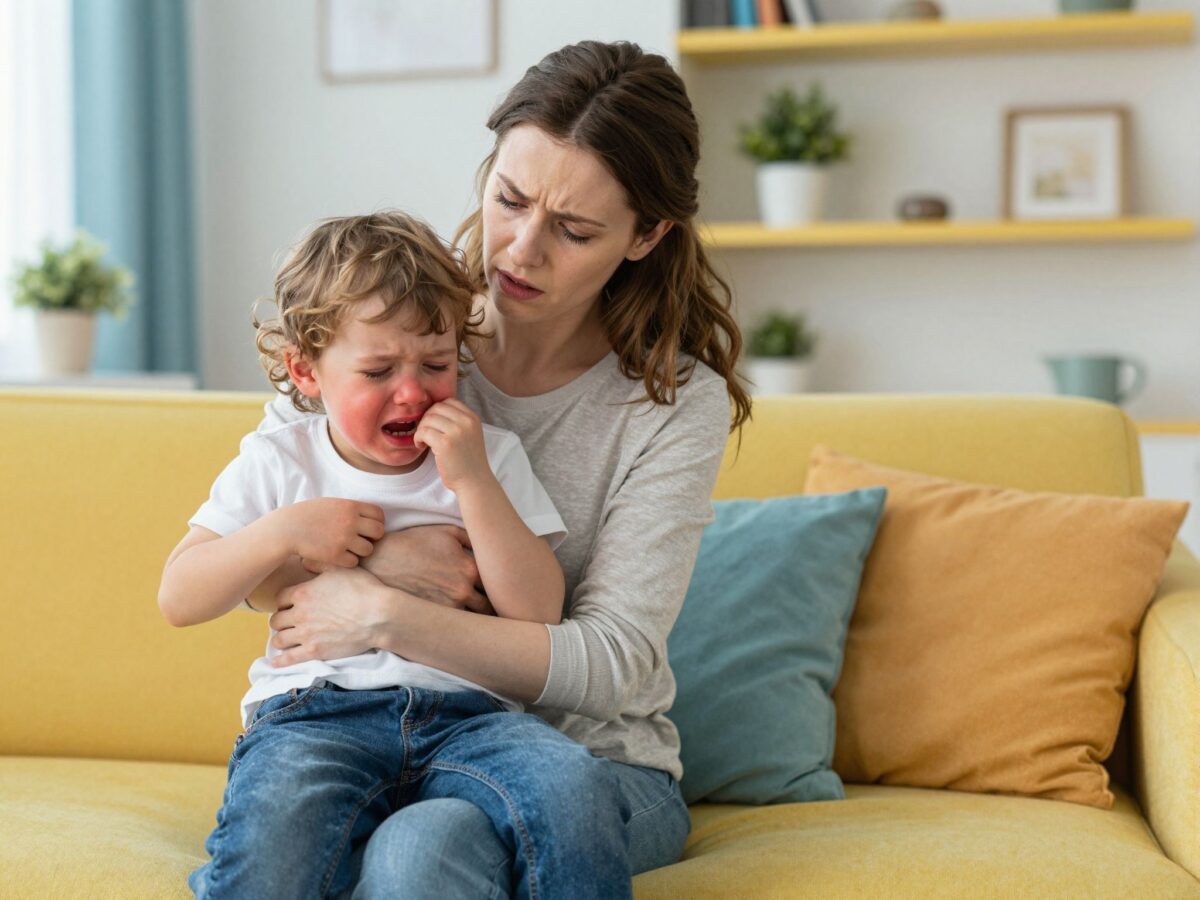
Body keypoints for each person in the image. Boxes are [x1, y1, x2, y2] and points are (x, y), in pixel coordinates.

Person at [258, 40, 752, 899]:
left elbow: (611, 664)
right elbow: (270, 556)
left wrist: (379, 610)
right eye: (509, 199)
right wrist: (379, 563)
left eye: (574, 230)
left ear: (647, 236)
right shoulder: (391, 333)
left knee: (421, 850)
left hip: (596, 764)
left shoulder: (670, 404)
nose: (520, 250)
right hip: (376, 736)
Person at [157, 211, 570, 899]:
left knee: (568, 785)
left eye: (437, 365)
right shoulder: (278, 461)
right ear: (304, 369)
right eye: (378, 369)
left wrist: (471, 481)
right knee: (272, 838)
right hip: (316, 717)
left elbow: (540, 612)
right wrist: (283, 534)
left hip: (471, 716)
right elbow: (179, 596)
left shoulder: (488, 456)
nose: (413, 391)